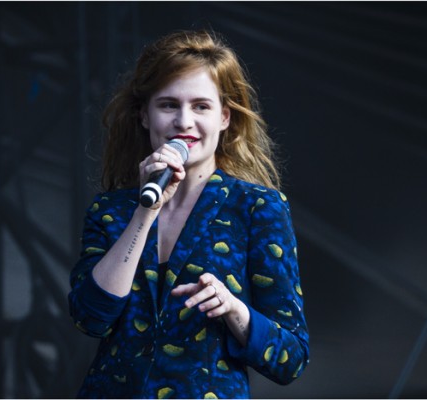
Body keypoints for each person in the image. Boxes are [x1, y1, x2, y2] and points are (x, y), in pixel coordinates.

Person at [68, 30, 309, 399]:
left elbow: (291, 358)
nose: (183, 121)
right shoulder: (111, 211)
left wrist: (234, 309)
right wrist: (145, 213)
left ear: (225, 118)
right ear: (145, 116)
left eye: (201, 106)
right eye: (168, 105)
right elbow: (90, 317)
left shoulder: (258, 208)